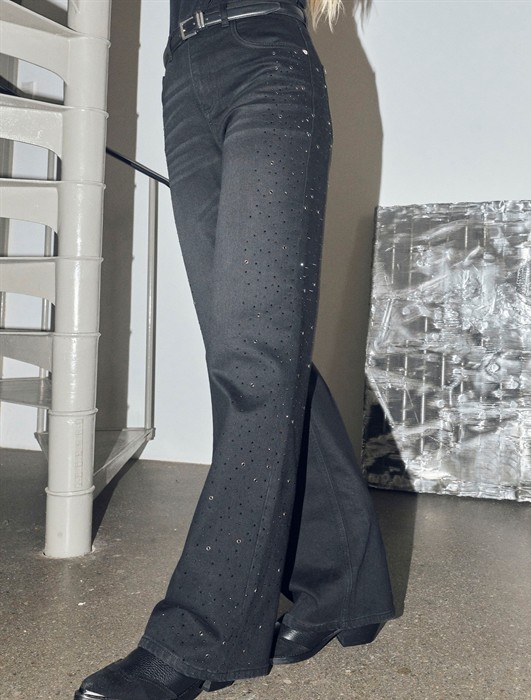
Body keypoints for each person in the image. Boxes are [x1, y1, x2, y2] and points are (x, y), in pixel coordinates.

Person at [75, 0, 395, 698]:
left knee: (255, 357)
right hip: (182, 77)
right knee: (248, 349)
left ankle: (203, 637)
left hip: (267, 60)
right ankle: (346, 584)